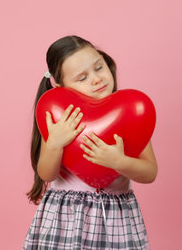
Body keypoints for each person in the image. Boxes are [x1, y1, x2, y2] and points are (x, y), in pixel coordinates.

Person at [23, 35, 157, 249]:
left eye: (99, 67)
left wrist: (119, 161)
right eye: (82, 78)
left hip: (115, 220)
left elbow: (150, 172)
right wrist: (54, 144)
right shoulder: (62, 119)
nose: (97, 79)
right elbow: (46, 174)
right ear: (61, 85)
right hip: (66, 218)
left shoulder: (129, 113)